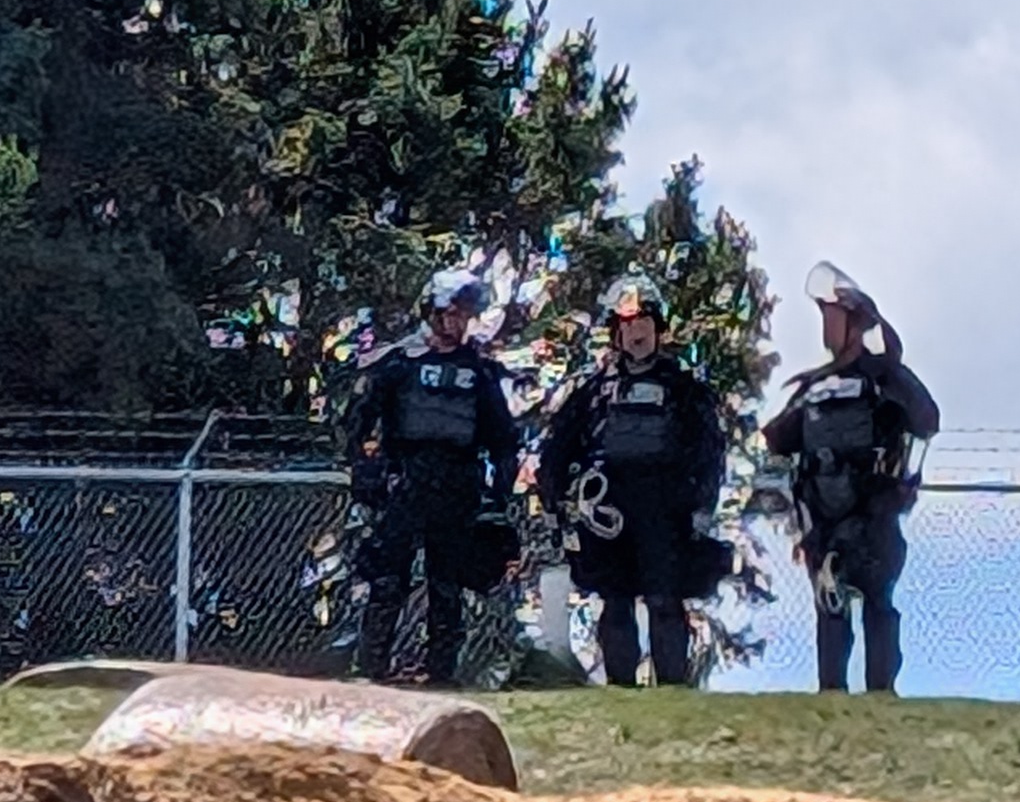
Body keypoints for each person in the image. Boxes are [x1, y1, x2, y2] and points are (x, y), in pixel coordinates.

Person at [536, 273, 732, 689]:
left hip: (665, 509)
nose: (636, 333)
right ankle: (620, 692)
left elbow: (709, 450)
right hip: (608, 509)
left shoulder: (683, 389)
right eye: (627, 325)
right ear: (615, 333)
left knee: (664, 600)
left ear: (658, 329)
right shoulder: (593, 391)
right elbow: (559, 446)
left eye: (643, 323)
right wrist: (554, 500)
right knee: (615, 600)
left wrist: (702, 506)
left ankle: (672, 694)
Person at [759, 262, 941, 695]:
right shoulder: (815, 388)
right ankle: (831, 697)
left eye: (832, 315)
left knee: (878, 604)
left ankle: (881, 695)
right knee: (830, 606)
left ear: (854, 321)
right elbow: (777, 440)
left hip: (873, 514)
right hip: (822, 519)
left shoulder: (884, 380)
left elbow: (926, 420)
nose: (826, 326)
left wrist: (891, 371)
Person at [338, 266, 523, 686]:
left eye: (465, 314)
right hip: (404, 483)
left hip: (458, 486)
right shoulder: (398, 364)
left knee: (447, 584)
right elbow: (357, 424)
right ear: (433, 312)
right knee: (388, 579)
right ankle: (370, 670)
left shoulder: (480, 372)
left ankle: (441, 673)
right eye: (453, 312)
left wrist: (497, 497)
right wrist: (367, 473)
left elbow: (503, 440)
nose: (459, 322)